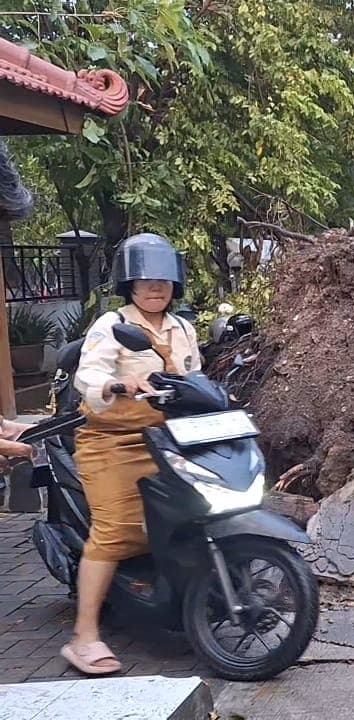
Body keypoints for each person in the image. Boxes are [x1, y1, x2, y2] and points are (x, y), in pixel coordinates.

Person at [62, 233, 200, 675]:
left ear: (175, 283)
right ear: (129, 284)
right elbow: (88, 376)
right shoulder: (111, 324)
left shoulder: (183, 328)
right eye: (144, 280)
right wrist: (118, 384)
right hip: (112, 441)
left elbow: (195, 378)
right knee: (116, 531)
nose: (155, 287)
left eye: (163, 279)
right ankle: (84, 637)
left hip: (169, 439)